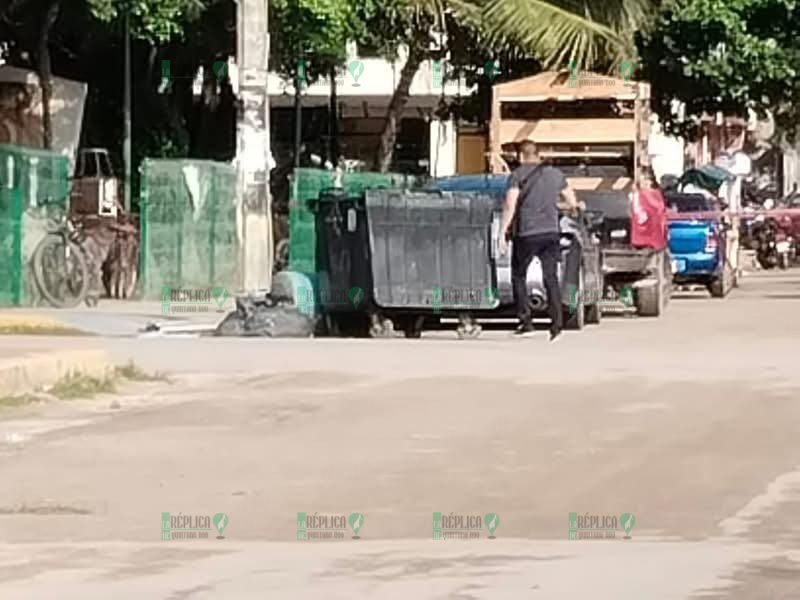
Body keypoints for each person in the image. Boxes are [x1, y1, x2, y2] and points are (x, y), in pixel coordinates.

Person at [499, 140, 580, 340]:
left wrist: (502, 232)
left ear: (521, 156)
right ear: (537, 153)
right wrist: (563, 207)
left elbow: (510, 205)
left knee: (519, 275)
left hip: (527, 233)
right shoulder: (555, 174)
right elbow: (572, 201)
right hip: (551, 232)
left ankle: (526, 322)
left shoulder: (517, 175)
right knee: (550, 277)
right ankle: (556, 325)